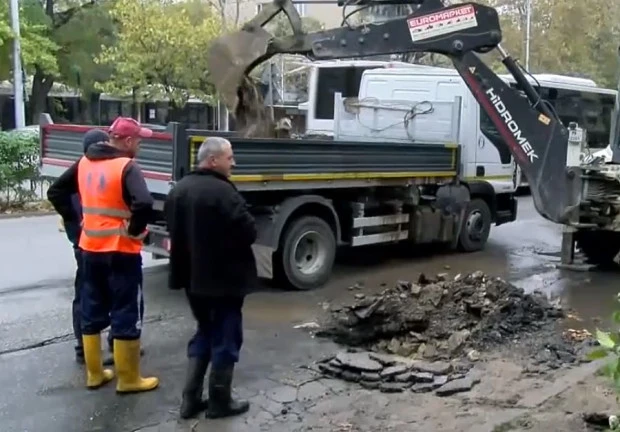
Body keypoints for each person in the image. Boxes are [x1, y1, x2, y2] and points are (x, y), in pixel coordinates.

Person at [47, 117, 158, 393]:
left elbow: (56, 191)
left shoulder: (84, 162)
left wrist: (78, 218)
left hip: (89, 249)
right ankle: (129, 379)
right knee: (125, 309)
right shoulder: (126, 166)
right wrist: (135, 230)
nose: (141, 144)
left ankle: (95, 374)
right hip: (120, 251)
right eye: (139, 140)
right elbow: (144, 202)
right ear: (128, 141)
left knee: (92, 307)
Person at [165, 136, 257, 419]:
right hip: (224, 283)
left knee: (205, 331)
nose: (234, 164)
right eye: (230, 158)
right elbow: (249, 232)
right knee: (226, 337)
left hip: (193, 282)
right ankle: (219, 401)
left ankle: (189, 400)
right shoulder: (224, 193)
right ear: (213, 160)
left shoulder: (179, 190)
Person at [60, 129, 110, 365]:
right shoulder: (83, 171)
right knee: (89, 294)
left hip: (88, 242)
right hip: (89, 244)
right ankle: (86, 346)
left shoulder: (82, 170)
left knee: (87, 294)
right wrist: (75, 223)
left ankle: (87, 345)